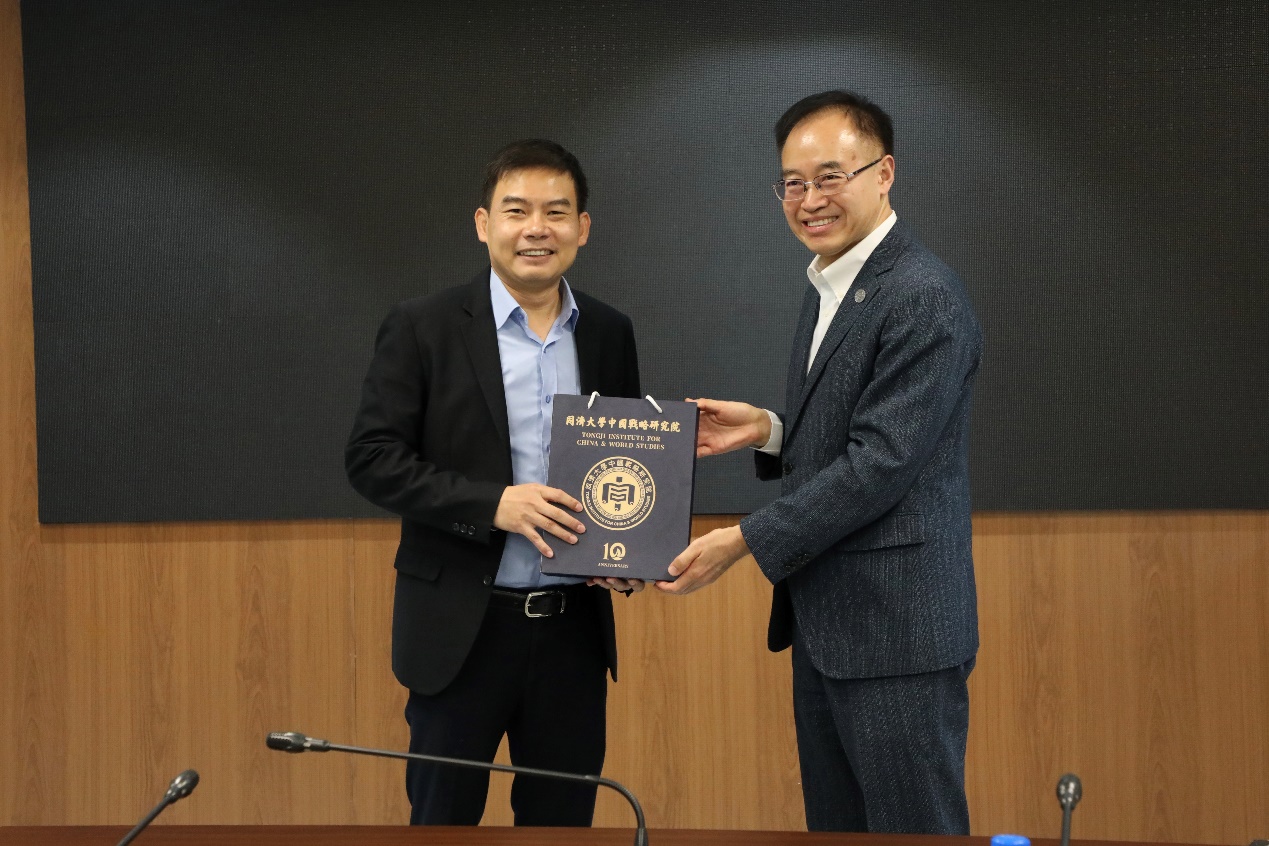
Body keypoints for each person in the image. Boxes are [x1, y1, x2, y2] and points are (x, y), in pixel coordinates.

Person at [659, 91, 983, 834]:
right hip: (832, 627)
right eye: (793, 183)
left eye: (831, 176)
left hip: (896, 634)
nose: (809, 201)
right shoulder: (832, 283)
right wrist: (770, 431)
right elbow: (856, 435)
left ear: (884, 173)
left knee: (912, 833)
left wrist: (744, 540)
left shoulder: (923, 294)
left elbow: (881, 463)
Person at [346, 139, 643, 827]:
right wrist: (493, 504)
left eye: (556, 212)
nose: (536, 228)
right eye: (517, 211)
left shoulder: (609, 331)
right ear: (484, 224)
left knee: (562, 828)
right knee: (443, 827)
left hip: (571, 635)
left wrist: (623, 548)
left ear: (582, 228)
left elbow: (622, 463)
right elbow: (371, 457)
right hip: (460, 633)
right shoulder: (422, 326)